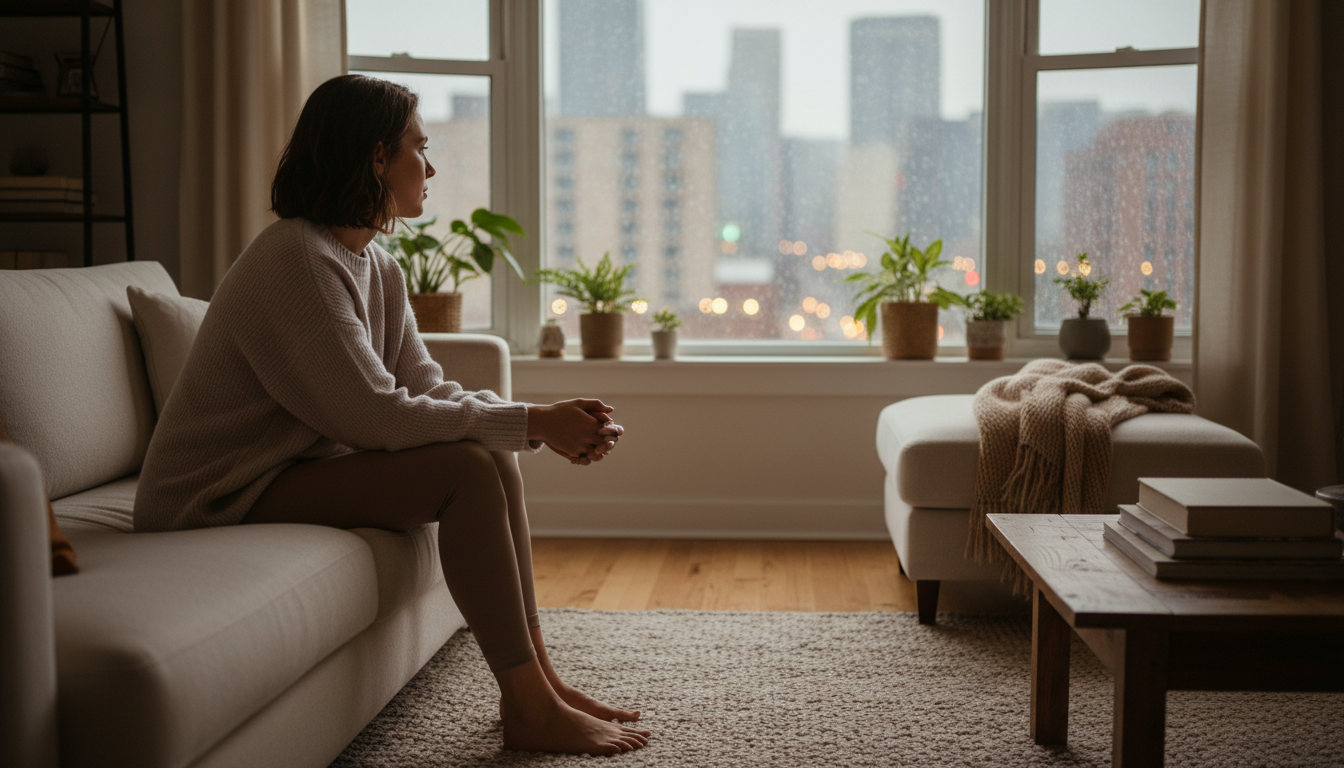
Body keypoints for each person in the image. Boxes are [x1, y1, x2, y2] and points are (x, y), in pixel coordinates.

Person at [133, 74, 651, 755]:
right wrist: (534, 421)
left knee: (489, 453)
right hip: (215, 493)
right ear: (376, 157)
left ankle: (539, 686)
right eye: (419, 147)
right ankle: (528, 703)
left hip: (285, 472)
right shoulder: (297, 258)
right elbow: (375, 417)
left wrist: (534, 422)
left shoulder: (374, 264)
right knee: (467, 468)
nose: (430, 167)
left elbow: (425, 387)